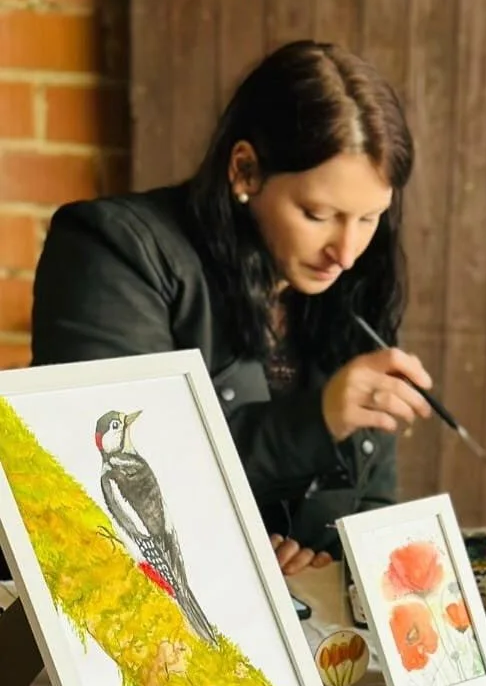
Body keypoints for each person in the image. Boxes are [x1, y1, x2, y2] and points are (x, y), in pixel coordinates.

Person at [30, 39, 433, 576]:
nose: (346, 251)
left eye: (368, 218)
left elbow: (370, 505)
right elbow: (109, 473)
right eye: (317, 213)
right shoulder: (116, 251)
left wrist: (330, 565)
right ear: (245, 171)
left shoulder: (349, 287)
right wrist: (316, 421)